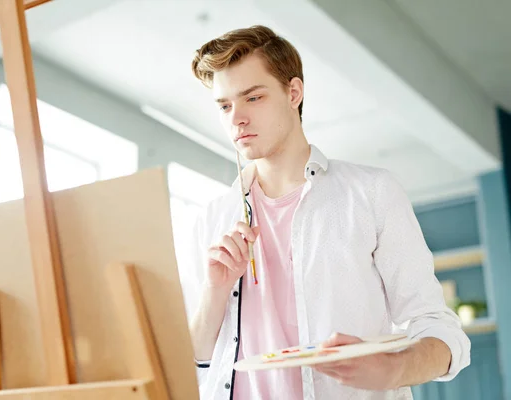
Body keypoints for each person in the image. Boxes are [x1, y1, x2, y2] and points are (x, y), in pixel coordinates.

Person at [180, 25, 470, 400]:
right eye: (224, 105)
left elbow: (439, 328)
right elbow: (196, 360)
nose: (235, 118)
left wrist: (393, 369)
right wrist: (215, 290)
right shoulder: (211, 218)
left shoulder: (371, 193)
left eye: (252, 98)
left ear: (293, 92)